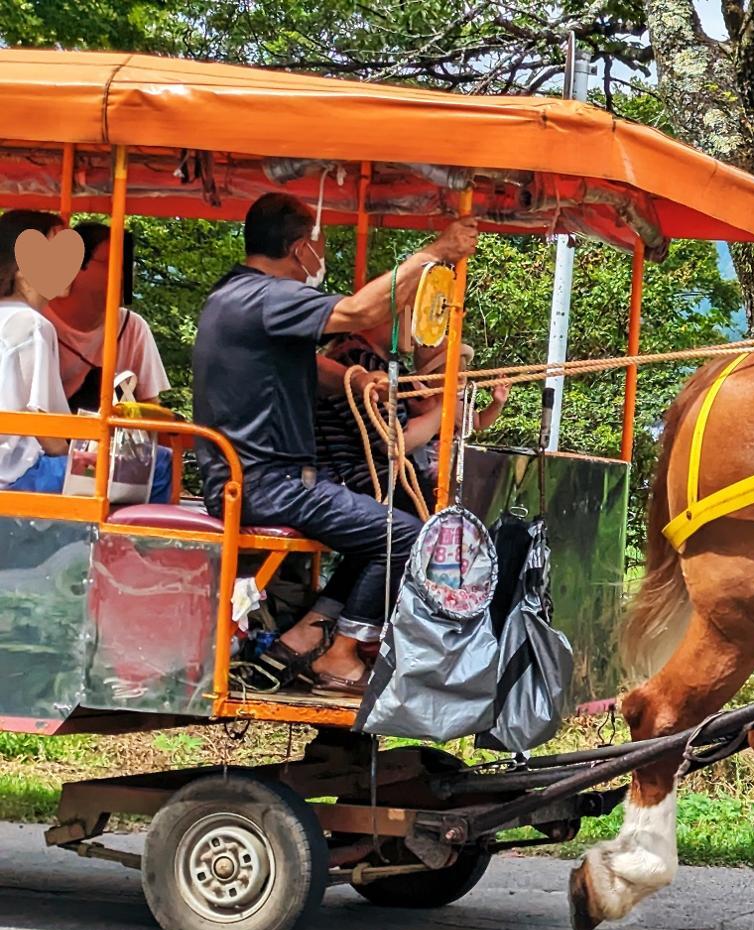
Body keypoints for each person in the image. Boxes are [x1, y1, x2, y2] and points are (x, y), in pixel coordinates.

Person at [193, 192, 477, 695]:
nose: (320, 258)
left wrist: (355, 377)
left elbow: (301, 369)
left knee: (381, 525)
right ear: (301, 247)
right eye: (319, 246)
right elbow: (359, 308)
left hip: (263, 478)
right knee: (406, 536)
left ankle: (307, 637)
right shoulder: (268, 297)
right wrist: (435, 252)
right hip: (270, 483)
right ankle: (340, 657)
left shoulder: (233, 296)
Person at [311, 323, 506, 513]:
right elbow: (396, 442)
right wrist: (445, 402)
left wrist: (494, 403)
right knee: (441, 509)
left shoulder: (393, 369)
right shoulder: (358, 360)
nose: (418, 328)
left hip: (394, 472)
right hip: (352, 480)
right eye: (414, 313)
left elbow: (476, 422)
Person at [47, 221, 168, 409]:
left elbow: (150, 408)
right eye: (111, 263)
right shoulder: (34, 320)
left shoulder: (132, 327)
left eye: (126, 265)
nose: (123, 275)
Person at [0, 210, 73, 493]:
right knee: (159, 466)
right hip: (15, 473)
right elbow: (41, 421)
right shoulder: (31, 324)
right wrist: (77, 464)